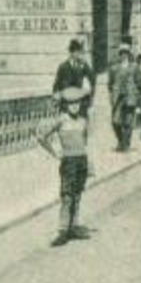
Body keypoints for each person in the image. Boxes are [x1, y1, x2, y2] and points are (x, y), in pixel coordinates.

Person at [37, 86, 92, 246]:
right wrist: (55, 152)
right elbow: (41, 136)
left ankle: (73, 226)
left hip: (81, 160)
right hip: (68, 162)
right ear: (65, 105)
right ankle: (62, 230)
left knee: (77, 194)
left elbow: (85, 143)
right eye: (71, 103)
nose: (75, 106)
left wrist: (90, 164)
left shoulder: (83, 121)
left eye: (77, 103)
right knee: (67, 195)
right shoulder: (60, 120)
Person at [108, 43, 141, 151]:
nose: (123, 55)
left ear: (129, 54)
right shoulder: (114, 68)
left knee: (128, 122)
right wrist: (113, 95)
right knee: (115, 122)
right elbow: (110, 84)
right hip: (118, 99)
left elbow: (140, 84)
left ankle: (126, 143)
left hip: (130, 98)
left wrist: (139, 100)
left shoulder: (134, 67)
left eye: (126, 53)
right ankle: (120, 140)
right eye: (122, 53)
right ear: (119, 55)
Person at [52, 38, 95, 118]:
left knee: (80, 123)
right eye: (74, 51)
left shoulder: (83, 65)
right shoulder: (63, 66)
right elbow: (56, 83)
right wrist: (55, 96)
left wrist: (90, 94)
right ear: (71, 52)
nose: (77, 54)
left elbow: (92, 78)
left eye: (78, 51)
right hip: (66, 102)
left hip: (79, 102)